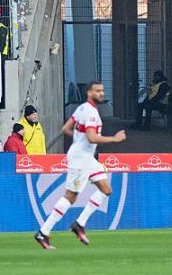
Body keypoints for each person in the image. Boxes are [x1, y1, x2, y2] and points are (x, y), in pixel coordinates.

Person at [34, 81, 126, 250]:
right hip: (80, 159)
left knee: (106, 189)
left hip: (86, 157)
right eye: (97, 91)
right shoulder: (90, 112)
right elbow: (91, 138)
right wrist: (114, 139)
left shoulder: (82, 108)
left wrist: (79, 141)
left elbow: (65, 129)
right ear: (89, 93)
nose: (101, 93)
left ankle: (79, 223)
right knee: (71, 196)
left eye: (102, 90)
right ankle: (43, 232)